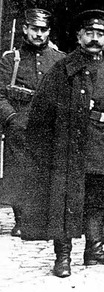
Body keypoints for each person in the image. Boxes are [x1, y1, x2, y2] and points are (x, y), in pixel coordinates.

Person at [21, 9, 104, 278]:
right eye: (89, 33)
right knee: (68, 200)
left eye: (100, 34)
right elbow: (41, 110)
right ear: (79, 36)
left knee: (98, 200)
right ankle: (63, 257)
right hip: (72, 147)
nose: (95, 38)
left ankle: (94, 250)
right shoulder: (64, 68)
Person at [0, 8, 65, 237]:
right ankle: (20, 220)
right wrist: (12, 119)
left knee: (46, 172)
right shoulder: (11, 59)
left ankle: (43, 219)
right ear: (25, 29)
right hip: (19, 125)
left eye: (43, 30)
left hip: (49, 126)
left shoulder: (59, 59)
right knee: (19, 173)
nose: (38, 34)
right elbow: (0, 95)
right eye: (34, 29)